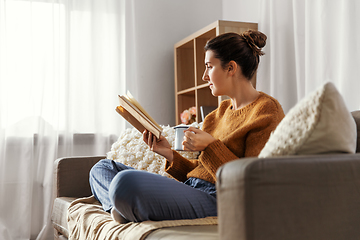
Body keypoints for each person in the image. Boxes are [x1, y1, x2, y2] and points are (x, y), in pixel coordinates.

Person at [89, 30, 285, 224]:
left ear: (231, 68)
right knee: (102, 168)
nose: (204, 76)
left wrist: (210, 146)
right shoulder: (216, 115)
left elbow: (253, 183)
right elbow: (200, 171)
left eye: (209, 67)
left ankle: (126, 204)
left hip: (221, 198)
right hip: (193, 188)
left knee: (125, 183)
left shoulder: (266, 111)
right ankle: (120, 209)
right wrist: (168, 153)